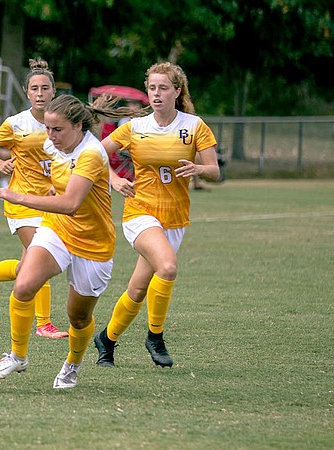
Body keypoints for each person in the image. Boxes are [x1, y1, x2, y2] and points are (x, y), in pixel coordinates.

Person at [0, 94, 131, 388]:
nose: (49, 136)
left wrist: (17, 196)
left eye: (57, 129)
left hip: (93, 242)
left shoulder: (90, 154)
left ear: (78, 126)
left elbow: (71, 203)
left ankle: (72, 364)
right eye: (48, 129)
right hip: (58, 229)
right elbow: (59, 185)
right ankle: (17, 355)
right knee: (24, 285)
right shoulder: (54, 143)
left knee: (77, 318)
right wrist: (49, 189)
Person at [93, 62, 220, 369]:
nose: (156, 94)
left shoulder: (194, 126)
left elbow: (215, 171)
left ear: (177, 91)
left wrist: (199, 169)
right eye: (152, 88)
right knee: (168, 266)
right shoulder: (136, 127)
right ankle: (155, 337)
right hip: (140, 211)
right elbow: (93, 153)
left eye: (163, 88)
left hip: (175, 217)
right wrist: (113, 178)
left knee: (137, 289)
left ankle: (106, 339)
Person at [0, 57, 67, 339]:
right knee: (42, 258)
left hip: (50, 203)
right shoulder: (16, 123)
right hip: (20, 201)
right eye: (35, 89)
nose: (41, 93)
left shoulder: (63, 122)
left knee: (28, 266)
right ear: (27, 92)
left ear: (53, 91)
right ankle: (44, 324)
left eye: (45, 88)